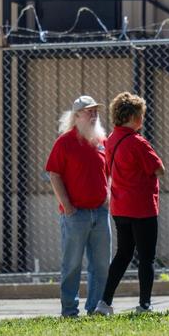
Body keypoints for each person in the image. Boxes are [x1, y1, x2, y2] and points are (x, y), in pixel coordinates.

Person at [97, 92, 165, 315]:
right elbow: (158, 169)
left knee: (123, 254)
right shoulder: (138, 142)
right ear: (135, 117)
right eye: (141, 115)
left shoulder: (111, 140)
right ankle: (144, 305)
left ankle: (104, 302)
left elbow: (108, 170)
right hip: (142, 207)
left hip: (120, 207)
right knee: (146, 258)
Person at [46, 95, 111, 318]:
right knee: (72, 265)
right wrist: (67, 206)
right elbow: (54, 174)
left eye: (95, 111)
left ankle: (95, 309)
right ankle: (69, 310)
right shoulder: (64, 142)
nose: (94, 115)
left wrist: (107, 196)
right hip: (75, 215)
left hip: (100, 213)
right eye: (88, 111)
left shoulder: (103, 142)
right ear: (76, 116)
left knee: (101, 265)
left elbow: (109, 173)